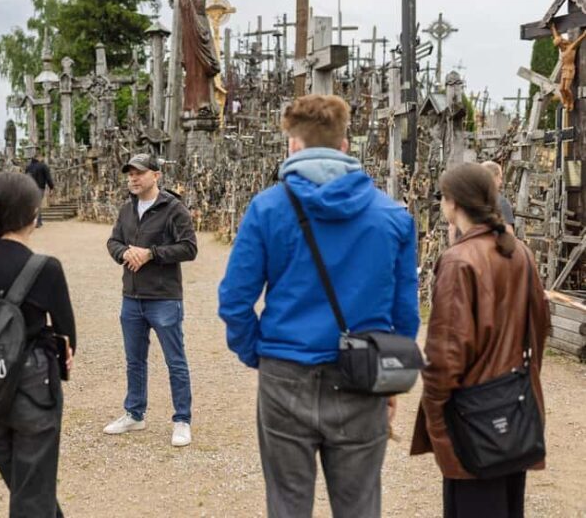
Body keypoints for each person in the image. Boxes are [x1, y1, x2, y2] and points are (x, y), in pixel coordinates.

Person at [218, 95, 420, 518]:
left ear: (293, 145)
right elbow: (405, 314)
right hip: (362, 372)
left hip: (285, 371)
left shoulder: (268, 209)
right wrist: (390, 374)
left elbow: (235, 299)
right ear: (346, 145)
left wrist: (257, 351)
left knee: (288, 503)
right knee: (360, 504)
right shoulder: (392, 217)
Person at [411, 163, 550, 518]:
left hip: (473, 418)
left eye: (443, 197)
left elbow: (444, 356)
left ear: (454, 203)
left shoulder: (459, 261)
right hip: (515, 411)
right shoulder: (520, 252)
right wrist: (519, 383)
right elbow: (540, 329)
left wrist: (438, 425)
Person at [0, 172, 76, 517]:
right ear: (33, 213)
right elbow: (68, 335)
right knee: (32, 492)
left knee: (26, 487)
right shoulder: (46, 268)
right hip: (33, 388)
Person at [105, 154, 197, 447]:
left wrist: (151, 253)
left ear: (156, 176)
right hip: (131, 298)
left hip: (164, 298)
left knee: (175, 361)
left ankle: (182, 419)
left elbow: (189, 248)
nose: (133, 178)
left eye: (139, 173)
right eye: (130, 173)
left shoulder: (174, 209)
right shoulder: (126, 209)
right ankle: (134, 413)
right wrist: (124, 253)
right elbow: (113, 241)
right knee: (134, 361)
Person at [480, 161, 515, 231]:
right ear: (493, 177)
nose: (501, 182)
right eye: (500, 178)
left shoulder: (467, 199)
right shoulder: (501, 202)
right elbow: (508, 233)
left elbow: (452, 228)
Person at [24, 152, 54, 228]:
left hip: (29, 187)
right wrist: (51, 187)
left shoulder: (28, 167)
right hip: (39, 187)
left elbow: (25, 178)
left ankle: (34, 221)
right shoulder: (43, 166)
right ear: (39, 157)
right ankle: (37, 222)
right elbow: (48, 178)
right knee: (37, 204)